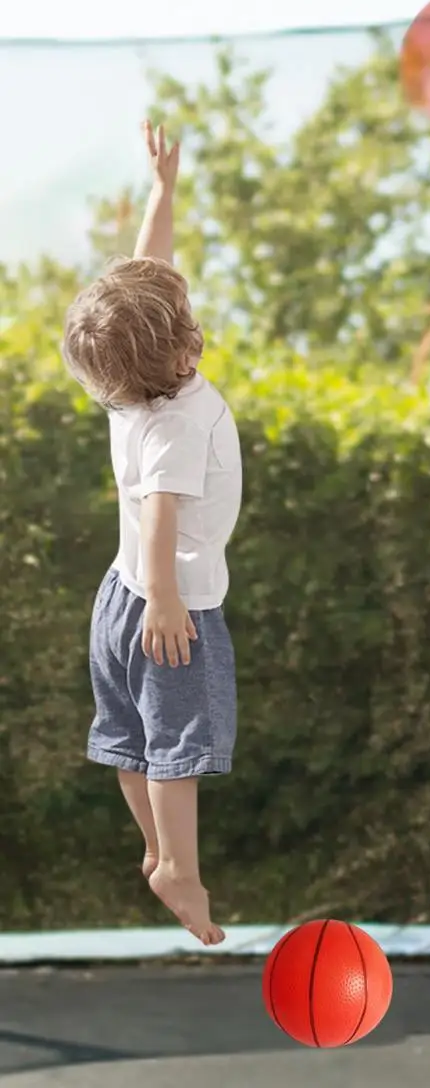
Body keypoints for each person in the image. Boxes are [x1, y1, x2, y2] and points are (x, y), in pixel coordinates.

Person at [60, 122, 242, 946]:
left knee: (129, 737)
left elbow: (148, 279)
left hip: (117, 598)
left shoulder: (126, 390)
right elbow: (165, 512)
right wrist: (170, 602)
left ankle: (154, 851)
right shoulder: (176, 416)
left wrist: (162, 195)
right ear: (177, 346)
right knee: (179, 749)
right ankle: (179, 865)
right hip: (173, 604)